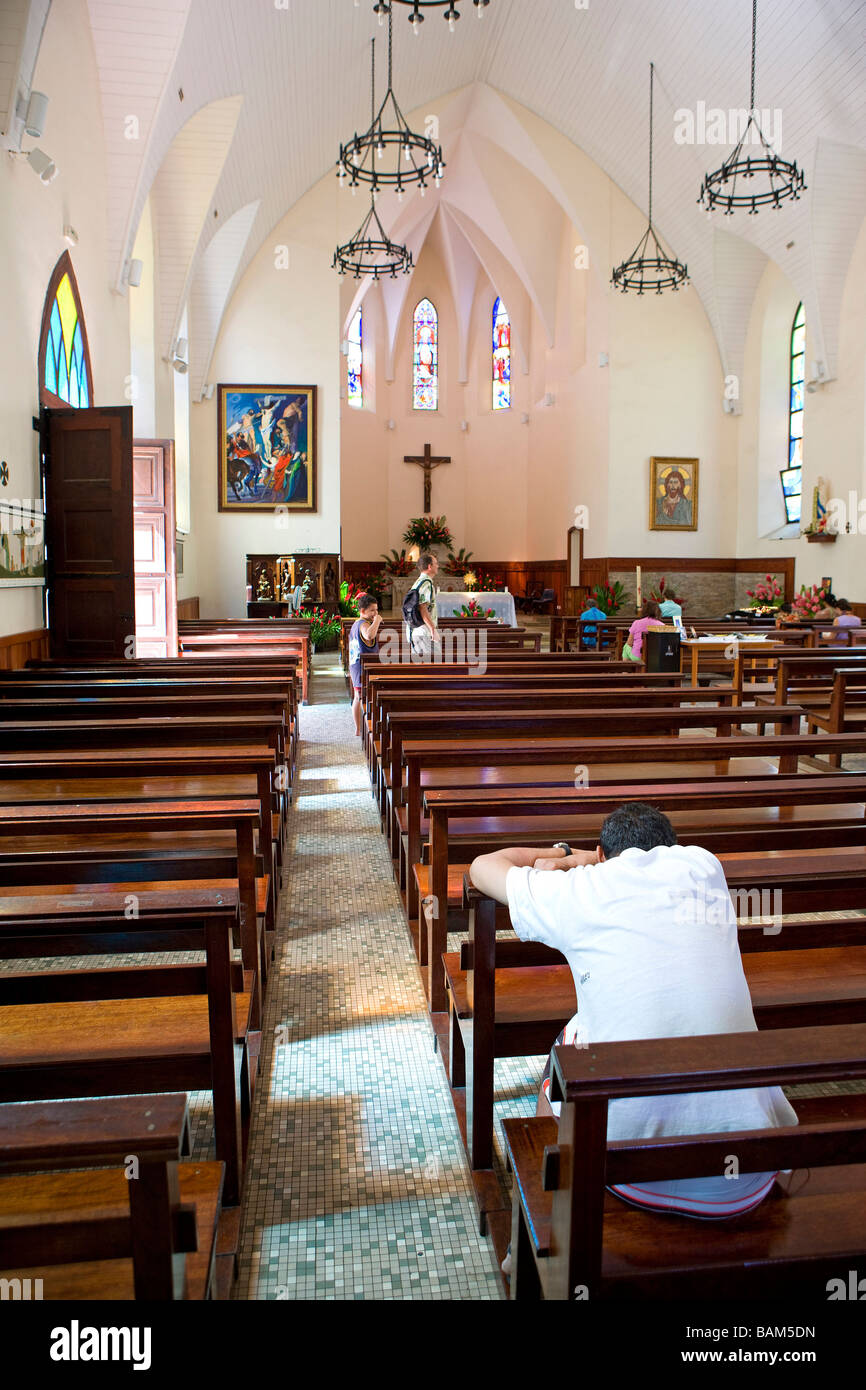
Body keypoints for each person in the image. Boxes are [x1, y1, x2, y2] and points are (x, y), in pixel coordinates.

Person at [469, 801, 798, 1228]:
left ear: (603, 856)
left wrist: (572, 858)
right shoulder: (705, 867)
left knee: (565, 1053)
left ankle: (531, 1229)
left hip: (626, 1169)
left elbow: (482, 867)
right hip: (747, 1180)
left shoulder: (579, 890)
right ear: (672, 848)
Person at [348, 593, 382, 736]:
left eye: (377, 610)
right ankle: (358, 728)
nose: (376, 613)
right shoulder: (363, 624)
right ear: (362, 611)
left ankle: (359, 728)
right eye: (372, 610)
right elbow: (369, 635)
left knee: (359, 695)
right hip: (361, 666)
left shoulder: (359, 622)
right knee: (359, 695)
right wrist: (377, 621)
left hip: (360, 665)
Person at [405, 554, 440, 659]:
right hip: (423, 632)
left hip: (415, 629)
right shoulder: (426, 583)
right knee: (432, 666)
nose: (438, 566)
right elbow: (422, 608)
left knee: (423, 666)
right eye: (436, 564)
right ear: (430, 566)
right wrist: (433, 630)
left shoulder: (418, 582)